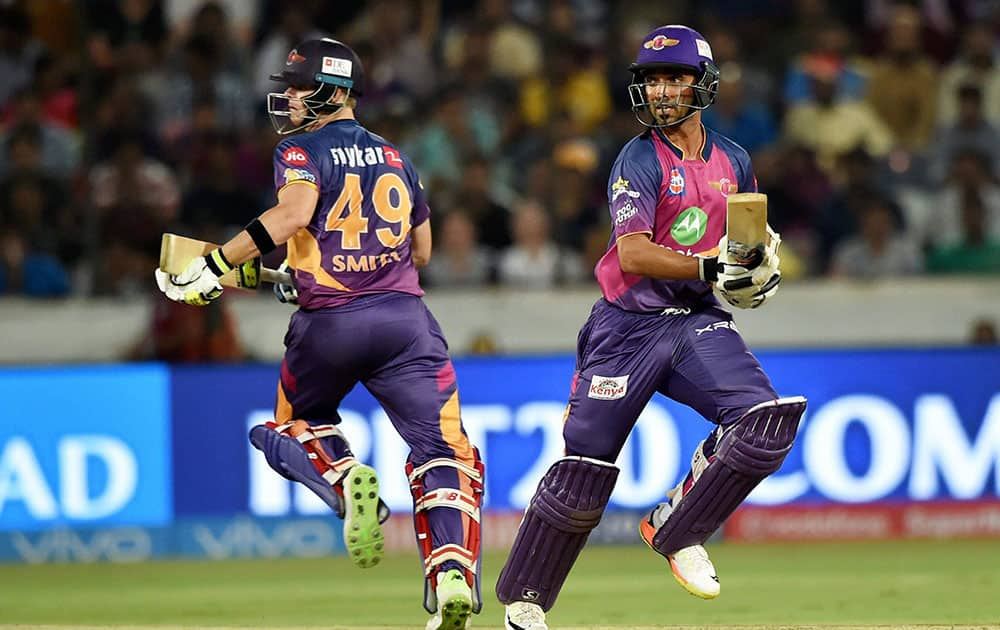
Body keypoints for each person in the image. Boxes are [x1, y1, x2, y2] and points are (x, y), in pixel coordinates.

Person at [154, 38, 484, 630]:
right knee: (446, 454)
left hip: (330, 323)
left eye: (301, 87)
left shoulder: (301, 149)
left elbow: (292, 217)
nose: (289, 97)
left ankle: (343, 476)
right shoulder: (397, 156)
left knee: (284, 428)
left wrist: (214, 266)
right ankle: (452, 569)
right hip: (406, 325)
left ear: (333, 90)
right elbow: (424, 250)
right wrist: (298, 272)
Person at [495, 25, 807, 630]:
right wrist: (710, 265)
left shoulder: (735, 161)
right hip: (626, 327)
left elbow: (740, 251)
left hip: (694, 321)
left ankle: (677, 526)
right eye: (652, 80)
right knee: (585, 469)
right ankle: (526, 603)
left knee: (765, 423)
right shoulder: (638, 158)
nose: (662, 91)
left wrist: (754, 270)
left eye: (674, 78)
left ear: (704, 83)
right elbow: (633, 253)